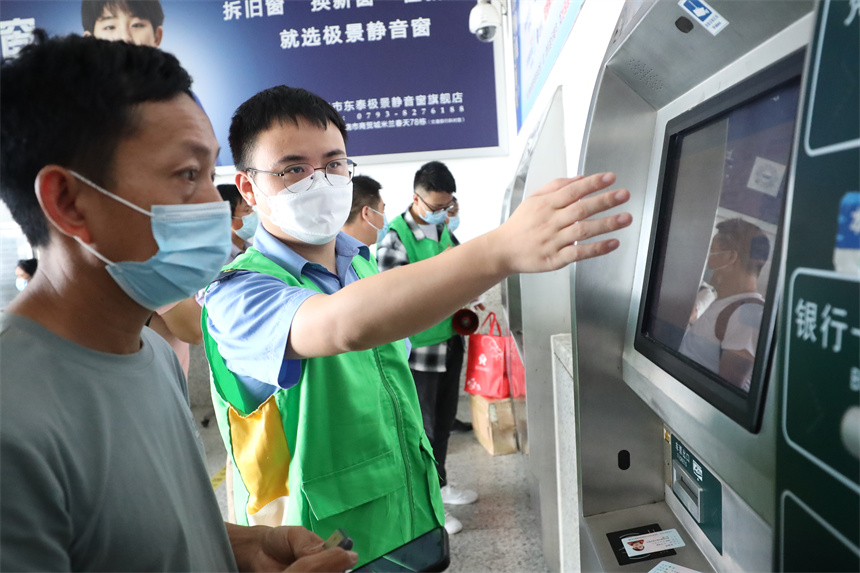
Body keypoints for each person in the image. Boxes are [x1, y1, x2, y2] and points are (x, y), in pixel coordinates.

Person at [201, 84, 632, 565]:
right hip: (315, 548)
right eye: (293, 169)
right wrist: (501, 249)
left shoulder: (360, 264)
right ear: (248, 187)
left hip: (408, 521)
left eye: (334, 163)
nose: (319, 181)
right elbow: (341, 324)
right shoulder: (236, 293)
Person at [0, 33, 356, 572]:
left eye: (209, 174)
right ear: (69, 202)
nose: (216, 207)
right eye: (187, 175)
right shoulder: (12, 422)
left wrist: (237, 547)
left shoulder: (148, 350)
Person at [377, 161, 475, 535]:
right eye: (434, 207)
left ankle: (443, 485)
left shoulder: (444, 229)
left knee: (446, 421)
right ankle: (430, 506)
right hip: (419, 350)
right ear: (415, 198)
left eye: (446, 206)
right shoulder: (394, 239)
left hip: (449, 341)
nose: (440, 213)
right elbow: (394, 299)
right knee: (425, 430)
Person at [678, 218, 770, 391]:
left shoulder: (748, 313)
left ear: (730, 257)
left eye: (712, 251)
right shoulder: (723, 303)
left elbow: (727, 390)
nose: (708, 261)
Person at [341, 174, 387, 247]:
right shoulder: (350, 257)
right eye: (382, 210)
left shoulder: (364, 254)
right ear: (366, 213)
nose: (384, 219)